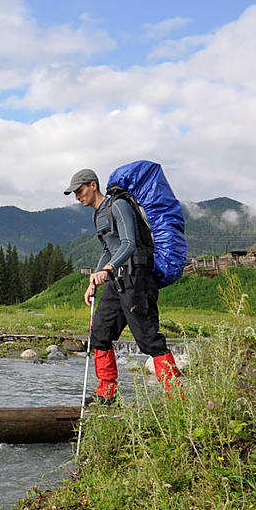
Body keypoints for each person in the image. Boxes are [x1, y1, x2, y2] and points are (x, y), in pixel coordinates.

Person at [64, 168, 181, 405]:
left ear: (93, 185)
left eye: (79, 190)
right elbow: (108, 249)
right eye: (74, 193)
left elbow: (129, 243)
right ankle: (107, 394)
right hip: (117, 279)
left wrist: (107, 270)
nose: (77, 197)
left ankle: (177, 396)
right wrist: (95, 278)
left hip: (137, 278)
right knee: (100, 333)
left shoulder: (118, 206)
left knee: (148, 339)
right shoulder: (98, 215)